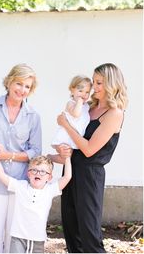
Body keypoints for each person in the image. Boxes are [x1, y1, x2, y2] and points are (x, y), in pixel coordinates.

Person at [49, 63, 128, 253]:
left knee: (89, 233)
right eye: (94, 81)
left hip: (90, 176)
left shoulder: (114, 113)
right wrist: (57, 153)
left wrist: (66, 125)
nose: (94, 86)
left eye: (100, 82)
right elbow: (74, 146)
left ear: (112, 84)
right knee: (71, 229)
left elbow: (89, 149)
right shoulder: (87, 107)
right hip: (70, 171)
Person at [0, 63, 42, 253]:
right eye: (19, 84)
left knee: (13, 237)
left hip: (19, 183)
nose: (22, 90)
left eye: (27, 86)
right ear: (9, 81)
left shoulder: (33, 117)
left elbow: (35, 151)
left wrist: (8, 155)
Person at [0, 155, 72, 253]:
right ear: (28, 174)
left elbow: (67, 177)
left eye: (43, 171)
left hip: (36, 238)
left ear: (49, 177)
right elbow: (1, 175)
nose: (38, 173)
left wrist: (67, 158)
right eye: (34, 170)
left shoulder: (50, 190)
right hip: (18, 236)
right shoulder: (21, 186)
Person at [51, 75, 92, 153]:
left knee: (68, 159)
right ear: (72, 90)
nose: (84, 94)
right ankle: (50, 157)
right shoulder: (71, 103)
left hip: (76, 136)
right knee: (66, 156)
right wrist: (79, 102)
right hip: (67, 135)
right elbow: (76, 114)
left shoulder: (86, 106)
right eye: (80, 91)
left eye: (87, 92)